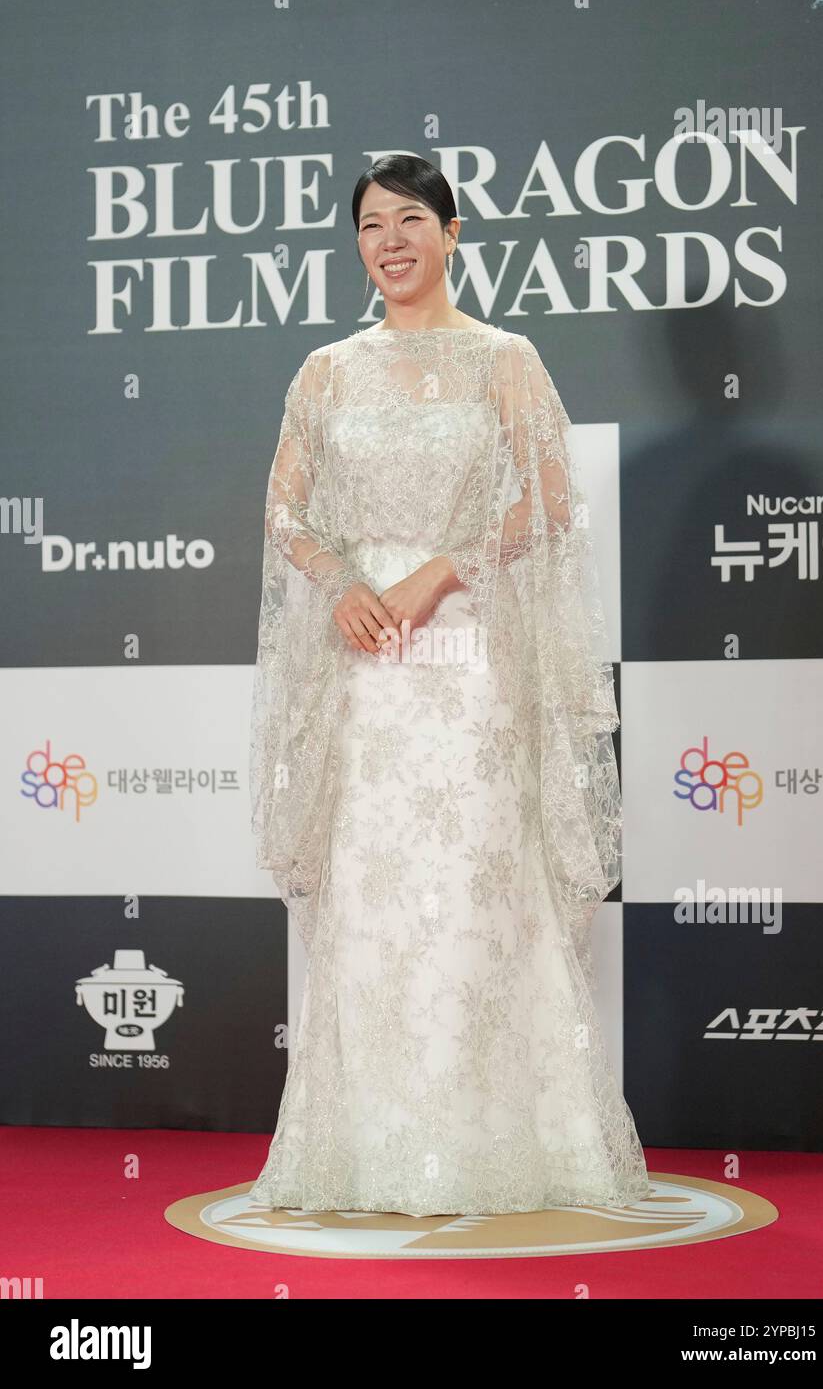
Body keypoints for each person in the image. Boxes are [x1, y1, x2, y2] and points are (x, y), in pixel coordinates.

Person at [247, 153, 651, 1217]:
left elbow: (548, 505)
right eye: (371, 224)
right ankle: (372, 1152)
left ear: (454, 230)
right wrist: (339, 581)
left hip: (467, 661)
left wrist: (442, 568)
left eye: (411, 219)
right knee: (374, 898)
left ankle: (495, 1148)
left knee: (476, 887)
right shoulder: (325, 371)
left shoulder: (504, 360)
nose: (390, 240)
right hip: (366, 667)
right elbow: (285, 514)